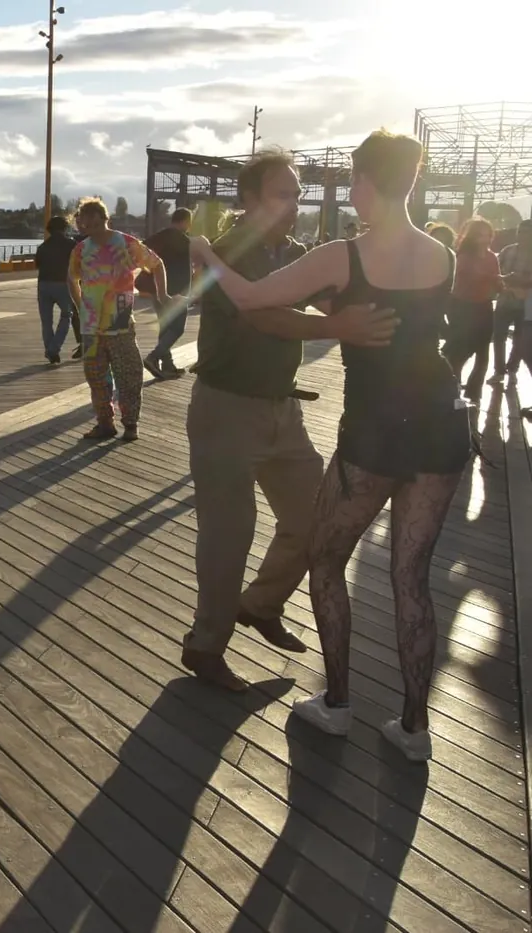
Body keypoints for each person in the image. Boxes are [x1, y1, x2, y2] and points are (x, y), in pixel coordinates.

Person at [193, 130, 468, 762]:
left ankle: (337, 705)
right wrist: (333, 307)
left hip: (376, 431)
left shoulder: (345, 254)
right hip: (442, 426)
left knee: (325, 559)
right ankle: (414, 730)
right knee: (411, 579)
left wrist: (206, 252)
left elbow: (251, 299)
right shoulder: (440, 255)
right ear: (416, 179)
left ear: (366, 183)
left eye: (352, 181)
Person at [180, 148, 398, 695]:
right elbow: (265, 318)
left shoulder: (300, 253)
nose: (295, 203)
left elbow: (332, 298)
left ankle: (260, 605)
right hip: (225, 410)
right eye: (283, 193)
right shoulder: (226, 254)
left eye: (298, 193)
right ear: (249, 198)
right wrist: (340, 327)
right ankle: (205, 646)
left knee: (315, 520)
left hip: (284, 410)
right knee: (229, 536)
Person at [67, 198, 172, 441]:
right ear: (82, 224)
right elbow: (71, 279)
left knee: (129, 373)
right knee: (96, 376)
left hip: (120, 320)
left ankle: (131, 424)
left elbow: (157, 264)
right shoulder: (81, 249)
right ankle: (105, 423)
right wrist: (80, 305)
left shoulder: (125, 243)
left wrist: (162, 293)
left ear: (105, 219)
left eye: (97, 223)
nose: (92, 229)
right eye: (87, 225)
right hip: (91, 324)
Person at [442, 217, 501, 395]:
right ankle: (452, 386)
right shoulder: (463, 255)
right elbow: (471, 274)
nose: (484, 239)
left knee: (483, 351)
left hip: (483, 306)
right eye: (480, 235)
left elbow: (497, 283)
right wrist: (494, 279)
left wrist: (503, 284)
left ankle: (474, 391)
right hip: (461, 306)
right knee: (461, 349)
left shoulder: (491, 257)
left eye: (487, 235)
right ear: (472, 236)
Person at [142, 207, 197, 379]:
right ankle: (153, 357)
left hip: (157, 289)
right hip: (177, 292)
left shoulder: (156, 237)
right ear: (186, 221)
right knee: (177, 328)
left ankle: (167, 365)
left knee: (165, 327)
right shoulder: (185, 240)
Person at [490, 220, 532, 388]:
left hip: (526, 305)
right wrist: (504, 283)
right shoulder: (507, 251)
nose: (523, 235)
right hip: (504, 301)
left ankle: (512, 370)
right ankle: (499, 371)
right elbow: (496, 273)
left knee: (520, 340)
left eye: (527, 232)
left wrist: (522, 282)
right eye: (521, 232)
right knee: (498, 338)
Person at [35, 215, 81, 364]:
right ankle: (53, 349)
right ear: (64, 228)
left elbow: (38, 265)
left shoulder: (42, 247)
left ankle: (50, 349)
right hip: (62, 284)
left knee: (46, 321)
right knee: (67, 315)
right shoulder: (71, 245)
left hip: (43, 285)